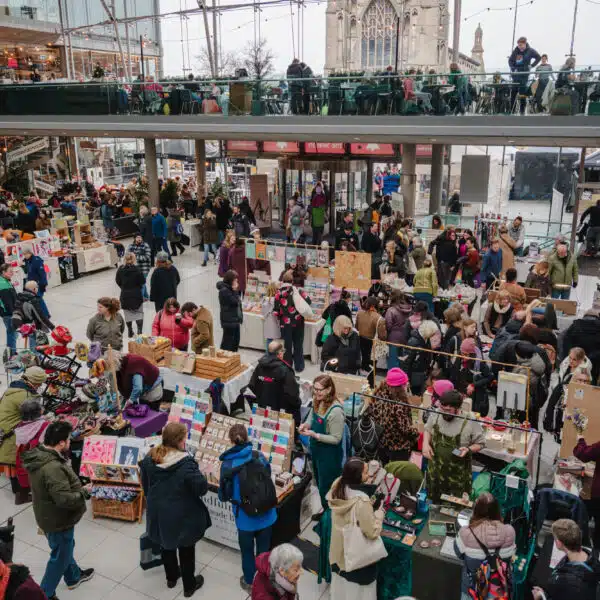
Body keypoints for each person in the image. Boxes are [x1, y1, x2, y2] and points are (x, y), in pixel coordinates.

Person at [23, 421, 94, 600]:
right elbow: (64, 499)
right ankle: (45, 593)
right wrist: (84, 492)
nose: (70, 441)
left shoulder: (40, 454)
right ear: (61, 443)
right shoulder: (53, 468)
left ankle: (73, 577)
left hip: (47, 514)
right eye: (68, 439)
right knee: (60, 556)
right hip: (58, 519)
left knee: (65, 548)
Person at [140, 422, 209, 598]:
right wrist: (202, 473)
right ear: (180, 441)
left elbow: (146, 486)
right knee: (186, 549)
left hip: (159, 512)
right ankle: (189, 586)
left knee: (166, 544)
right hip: (182, 514)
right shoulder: (186, 465)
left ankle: (171, 577)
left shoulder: (150, 458)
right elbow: (201, 488)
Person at [219, 424, 277, 593]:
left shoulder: (228, 464)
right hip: (266, 513)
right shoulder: (259, 456)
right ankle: (264, 581)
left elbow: (224, 494)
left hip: (244, 517)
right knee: (264, 551)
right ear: (247, 437)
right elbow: (268, 474)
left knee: (246, 551)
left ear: (231, 441)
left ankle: (250, 582)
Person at [327, 458, 384, 600]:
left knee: (342, 590)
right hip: (357, 561)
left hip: (339, 553)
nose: (369, 475)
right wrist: (379, 514)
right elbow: (372, 532)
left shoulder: (337, 486)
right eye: (365, 472)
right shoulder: (361, 501)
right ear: (357, 476)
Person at [422, 390, 485, 503]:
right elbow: (427, 429)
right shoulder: (437, 413)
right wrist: (425, 444)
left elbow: (481, 443)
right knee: (435, 503)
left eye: (448, 410)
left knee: (456, 505)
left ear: (458, 408)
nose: (444, 413)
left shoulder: (469, 420)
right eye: (442, 409)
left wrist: (468, 449)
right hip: (436, 474)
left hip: (457, 478)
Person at [455, 493, 516, 600]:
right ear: (497, 510)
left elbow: (459, 554)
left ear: (476, 510)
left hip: (472, 590)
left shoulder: (465, 533)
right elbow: (511, 556)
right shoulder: (510, 532)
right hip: (498, 592)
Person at [0, 367, 47, 504]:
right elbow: (35, 414)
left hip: (6, 429)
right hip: (13, 433)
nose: (39, 386)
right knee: (17, 462)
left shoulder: (14, 388)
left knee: (13, 463)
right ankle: (21, 495)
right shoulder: (25, 395)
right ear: (34, 381)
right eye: (39, 383)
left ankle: (19, 491)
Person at [299, 375, 344, 511]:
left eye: (320, 390)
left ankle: (330, 515)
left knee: (328, 487)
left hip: (329, 456)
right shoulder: (317, 401)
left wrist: (315, 435)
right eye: (315, 389)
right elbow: (311, 418)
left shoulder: (336, 411)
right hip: (317, 452)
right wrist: (305, 425)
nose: (316, 392)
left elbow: (336, 438)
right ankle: (325, 512)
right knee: (319, 483)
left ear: (329, 389)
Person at [532, 519, 600, 600]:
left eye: (555, 538)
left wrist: (540, 597)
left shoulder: (567, 582)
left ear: (558, 543)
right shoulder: (592, 556)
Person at [369, 368, 418, 463]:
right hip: (398, 447)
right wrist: (417, 433)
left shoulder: (377, 395)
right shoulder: (399, 405)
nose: (406, 386)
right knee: (397, 471)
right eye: (404, 384)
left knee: (384, 468)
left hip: (381, 443)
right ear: (398, 388)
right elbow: (405, 429)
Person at [249, 341, 301, 425]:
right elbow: (292, 394)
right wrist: (298, 403)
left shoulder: (259, 366)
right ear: (279, 353)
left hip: (263, 410)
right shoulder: (285, 370)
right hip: (281, 414)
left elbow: (252, 386)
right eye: (283, 351)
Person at [545, 347, 592, 440]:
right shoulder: (565, 363)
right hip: (559, 398)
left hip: (570, 404)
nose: (571, 361)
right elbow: (560, 378)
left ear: (581, 360)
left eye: (574, 359)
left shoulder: (583, 373)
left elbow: (581, 393)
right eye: (570, 357)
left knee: (565, 431)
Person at [274, 271, 311, 372]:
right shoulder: (298, 290)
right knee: (298, 345)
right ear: (292, 281)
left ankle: (287, 366)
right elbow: (309, 301)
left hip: (285, 324)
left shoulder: (278, 293)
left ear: (283, 280)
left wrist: (282, 317)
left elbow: (276, 311)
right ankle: (299, 366)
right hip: (298, 323)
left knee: (286, 346)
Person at [458, 338, 493, 417]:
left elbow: (489, 377)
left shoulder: (480, 363)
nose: (463, 357)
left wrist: (473, 385)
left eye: (466, 355)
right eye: (462, 354)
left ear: (472, 354)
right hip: (465, 392)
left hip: (478, 394)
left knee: (475, 414)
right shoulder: (460, 359)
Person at [116, 252, 145, 338]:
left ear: (124, 259)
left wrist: (123, 287)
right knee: (139, 313)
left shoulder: (120, 269)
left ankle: (130, 330)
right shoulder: (137, 269)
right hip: (136, 294)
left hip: (125, 295)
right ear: (134, 259)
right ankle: (139, 330)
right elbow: (142, 281)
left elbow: (117, 280)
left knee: (128, 314)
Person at [508, 37, 541, 114]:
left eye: (521, 45)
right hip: (516, 75)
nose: (520, 47)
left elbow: (538, 57)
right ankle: (512, 110)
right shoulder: (516, 51)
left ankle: (522, 111)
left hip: (524, 75)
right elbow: (510, 60)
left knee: (522, 92)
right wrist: (513, 69)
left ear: (525, 44)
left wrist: (532, 65)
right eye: (519, 45)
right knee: (513, 92)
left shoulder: (530, 51)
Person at [385, 290, 412, 369]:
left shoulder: (391, 310)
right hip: (405, 337)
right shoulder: (409, 309)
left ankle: (392, 376)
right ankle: (400, 376)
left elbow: (388, 325)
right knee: (401, 361)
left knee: (393, 361)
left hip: (393, 338)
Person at [217, 270, 243, 352]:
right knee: (227, 345)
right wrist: (235, 290)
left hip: (235, 320)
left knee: (235, 343)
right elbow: (235, 302)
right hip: (229, 322)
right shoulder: (224, 291)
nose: (236, 281)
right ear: (230, 280)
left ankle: (233, 358)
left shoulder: (230, 289)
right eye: (235, 280)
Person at [356, 297, 381, 373]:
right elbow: (380, 332)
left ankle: (362, 371)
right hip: (371, 341)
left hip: (361, 338)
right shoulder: (377, 316)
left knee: (363, 358)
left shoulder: (359, 313)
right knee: (370, 361)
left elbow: (356, 327)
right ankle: (369, 375)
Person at [127, 234, 152, 300]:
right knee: (142, 282)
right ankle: (146, 296)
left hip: (144, 268)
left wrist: (135, 257)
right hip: (135, 269)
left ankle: (140, 298)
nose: (139, 239)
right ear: (135, 238)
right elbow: (128, 256)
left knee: (141, 282)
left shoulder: (146, 245)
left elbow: (147, 257)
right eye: (138, 237)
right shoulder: (131, 246)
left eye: (140, 237)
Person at [0, 263, 17, 357]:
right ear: (3, 272)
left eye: (12, 271)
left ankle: (12, 352)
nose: (12, 273)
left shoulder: (6, 281)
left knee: (13, 333)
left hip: (9, 312)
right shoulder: (2, 283)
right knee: (11, 333)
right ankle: (11, 354)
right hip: (8, 313)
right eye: (10, 271)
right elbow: (7, 303)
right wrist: (14, 313)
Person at [261, 281, 279, 349]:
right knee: (272, 340)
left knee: (269, 339)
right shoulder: (274, 300)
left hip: (267, 321)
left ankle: (268, 353)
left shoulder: (265, 299)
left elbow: (263, 311)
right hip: (273, 321)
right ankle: (270, 354)